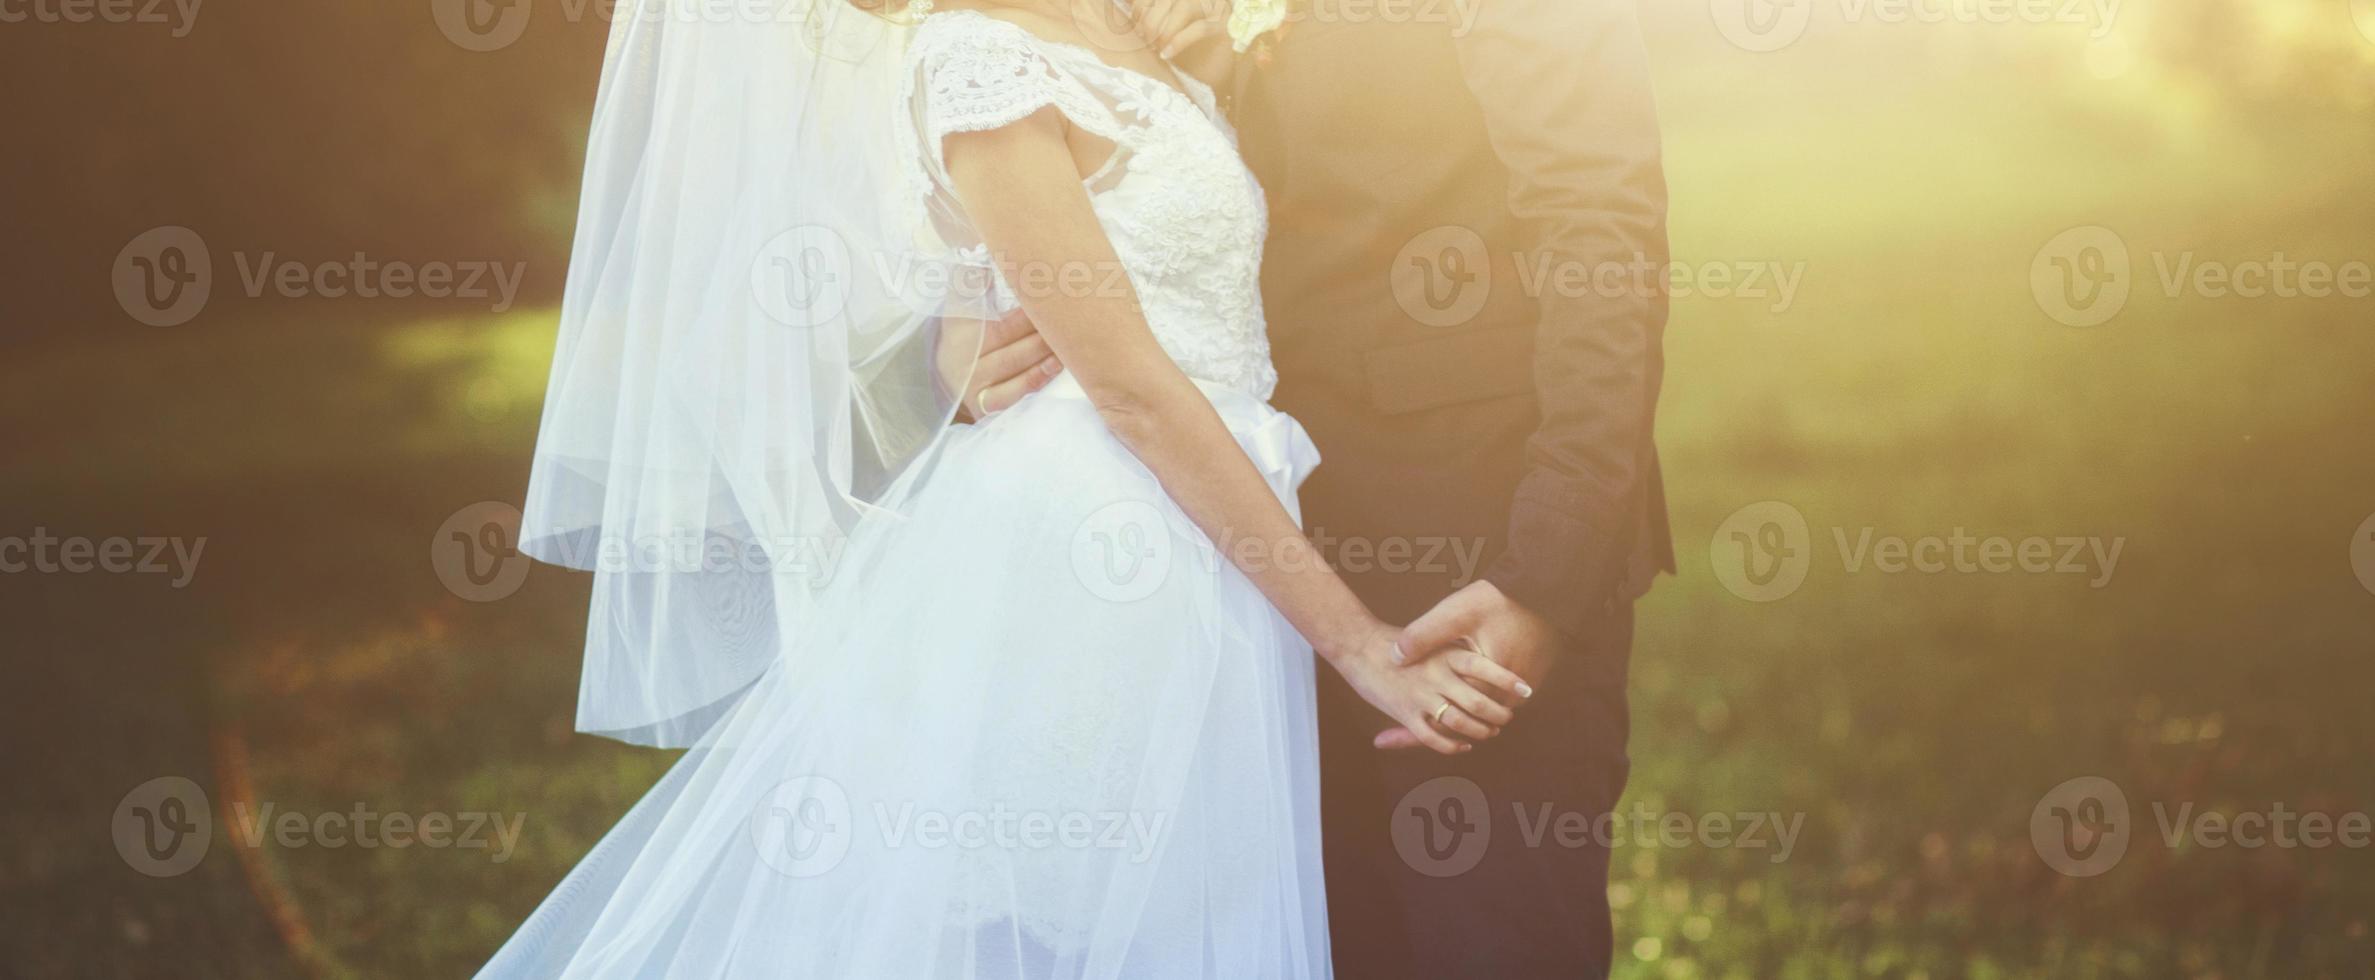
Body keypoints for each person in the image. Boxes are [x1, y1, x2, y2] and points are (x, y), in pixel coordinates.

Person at [480, 0, 1527, 975]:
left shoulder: (1111, 22)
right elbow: (1128, 384)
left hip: (1214, 545)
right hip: (1093, 556)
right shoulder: (976, 54)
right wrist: (1354, 643)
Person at [956, 0, 1675, 974]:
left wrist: (1545, 570)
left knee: (1493, 937)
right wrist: (955, 349)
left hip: (1468, 554)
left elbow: (1599, 232)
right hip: (1241, 584)